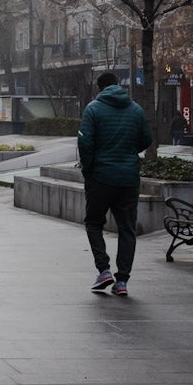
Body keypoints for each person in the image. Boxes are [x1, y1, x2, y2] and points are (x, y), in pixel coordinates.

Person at [77, 71, 152, 297]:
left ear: (99, 88)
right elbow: (146, 140)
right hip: (128, 179)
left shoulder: (93, 109)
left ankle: (104, 269)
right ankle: (122, 281)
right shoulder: (136, 110)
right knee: (126, 229)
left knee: (93, 222)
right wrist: (128, 154)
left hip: (101, 176)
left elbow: (84, 142)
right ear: (117, 85)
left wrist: (88, 169)